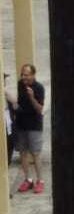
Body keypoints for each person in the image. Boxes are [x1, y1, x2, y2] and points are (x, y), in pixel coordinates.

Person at [10, 64, 45, 194]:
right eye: (22, 74)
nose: (24, 77)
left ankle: (40, 181)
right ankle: (28, 179)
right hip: (21, 124)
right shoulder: (20, 84)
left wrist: (31, 97)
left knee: (35, 154)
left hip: (34, 125)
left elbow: (39, 109)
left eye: (26, 74)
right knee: (23, 153)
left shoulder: (39, 88)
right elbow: (20, 102)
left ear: (33, 75)